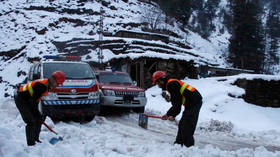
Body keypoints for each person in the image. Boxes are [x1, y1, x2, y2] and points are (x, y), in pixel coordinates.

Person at [14, 71, 66, 146]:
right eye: (57, 83)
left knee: (39, 118)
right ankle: (31, 145)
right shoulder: (42, 86)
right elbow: (32, 103)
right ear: (53, 80)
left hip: (28, 99)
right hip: (21, 98)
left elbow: (36, 100)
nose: (57, 85)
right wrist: (37, 114)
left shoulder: (47, 85)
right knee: (30, 121)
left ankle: (36, 139)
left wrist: (39, 116)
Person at [152, 71, 202, 148]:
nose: (157, 85)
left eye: (157, 83)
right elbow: (177, 103)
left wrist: (170, 114)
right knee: (182, 124)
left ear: (161, 80)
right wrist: (170, 114)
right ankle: (178, 144)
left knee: (187, 125)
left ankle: (189, 148)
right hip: (190, 103)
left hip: (194, 102)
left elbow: (177, 104)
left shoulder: (172, 85)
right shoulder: (171, 84)